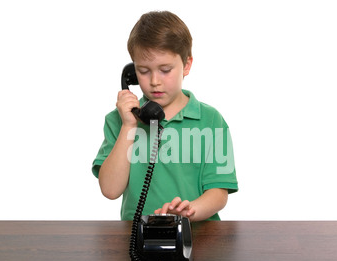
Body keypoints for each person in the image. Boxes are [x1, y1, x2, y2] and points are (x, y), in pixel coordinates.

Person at [92, 11, 238, 221]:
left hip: (197, 236)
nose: (154, 81)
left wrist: (187, 213)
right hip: (138, 236)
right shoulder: (119, 120)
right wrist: (128, 126)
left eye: (165, 70)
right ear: (131, 72)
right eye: (143, 71)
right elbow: (110, 190)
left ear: (186, 65)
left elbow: (219, 193)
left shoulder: (211, 120)